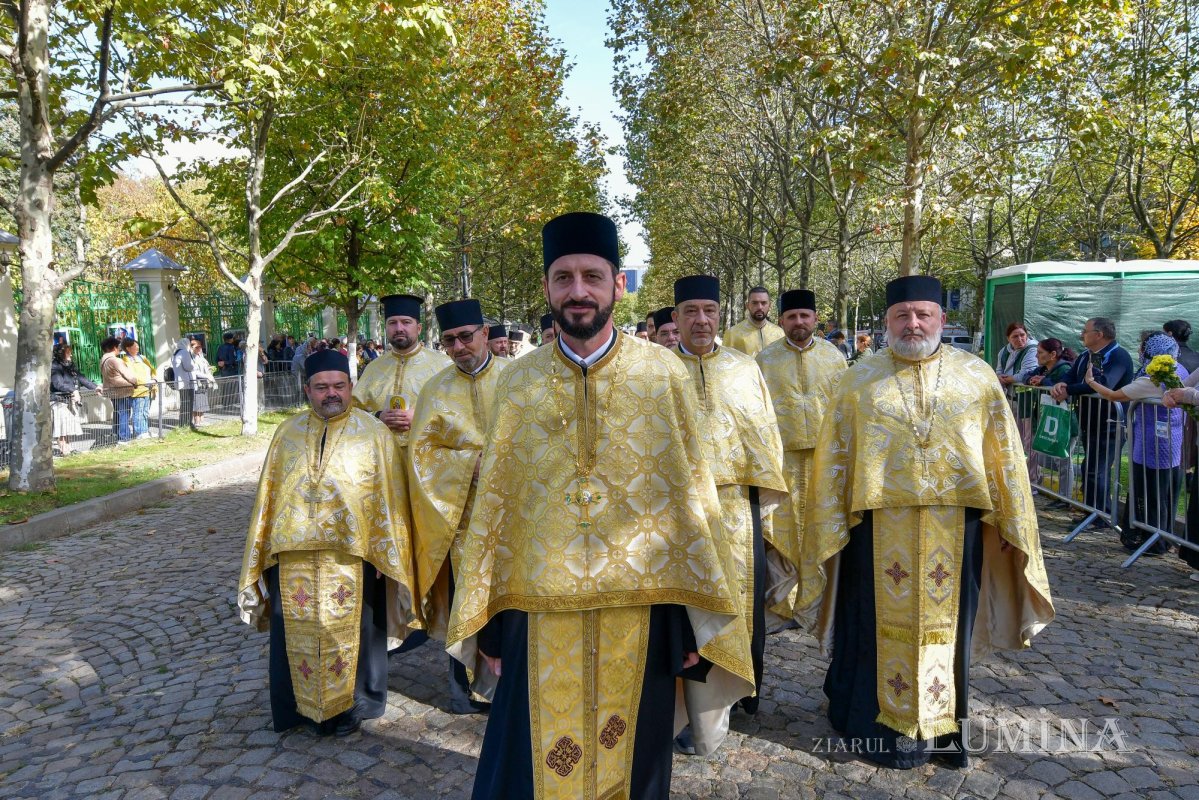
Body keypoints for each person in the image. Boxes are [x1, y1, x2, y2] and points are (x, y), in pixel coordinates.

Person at [447, 212, 753, 800]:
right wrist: (489, 627)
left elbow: (691, 501)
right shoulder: (517, 383)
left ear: (618, 284)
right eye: (564, 277)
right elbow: (496, 515)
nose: (578, 291)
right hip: (535, 614)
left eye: (593, 275)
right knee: (527, 764)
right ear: (547, 289)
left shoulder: (663, 376)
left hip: (641, 613)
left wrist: (690, 621)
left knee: (634, 761)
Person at [799, 275, 1054, 770]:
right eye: (902, 315)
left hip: (954, 530)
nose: (912, 323)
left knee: (948, 632)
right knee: (870, 627)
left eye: (923, 314)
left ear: (941, 319)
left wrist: (1009, 520)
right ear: (888, 321)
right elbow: (834, 462)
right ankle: (873, 726)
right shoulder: (857, 380)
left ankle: (942, 728)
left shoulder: (976, 377)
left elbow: (1002, 457)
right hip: (873, 531)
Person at [238, 350, 419, 736]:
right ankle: (295, 710)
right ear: (307, 389)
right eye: (321, 387)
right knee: (294, 632)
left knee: (358, 630)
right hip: (294, 557)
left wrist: (384, 549)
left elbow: (390, 498)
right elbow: (268, 498)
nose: (331, 394)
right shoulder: (285, 433)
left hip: (354, 555)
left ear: (351, 387)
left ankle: (356, 704)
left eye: (339, 386)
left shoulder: (374, 434)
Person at [669, 274, 789, 757]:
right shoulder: (655, 371)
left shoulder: (745, 369)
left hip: (738, 512)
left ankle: (736, 696)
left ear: (721, 315)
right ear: (675, 317)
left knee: (741, 607)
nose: (701, 320)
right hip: (676, 517)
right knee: (682, 612)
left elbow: (765, 438)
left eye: (709, 311)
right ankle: (685, 712)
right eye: (691, 311)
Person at [408, 299, 509, 714]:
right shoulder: (435, 389)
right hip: (462, 517)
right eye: (449, 340)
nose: (458, 346)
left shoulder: (516, 379)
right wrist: (469, 464)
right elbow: (422, 454)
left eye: (466, 336)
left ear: (485, 334)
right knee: (465, 600)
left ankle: (514, 687)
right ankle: (464, 688)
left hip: (515, 514)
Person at [755, 289, 846, 621]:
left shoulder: (834, 357)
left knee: (820, 527)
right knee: (783, 532)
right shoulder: (764, 360)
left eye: (804, 316)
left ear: (815, 318)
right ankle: (783, 604)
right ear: (781, 321)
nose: (798, 322)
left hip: (825, 462)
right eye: (792, 316)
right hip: (782, 463)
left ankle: (820, 602)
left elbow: (845, 411)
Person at [1086, 332, 1188, 555]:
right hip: (1172, 445)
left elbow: (1115, 395)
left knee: (1150, 493)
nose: (1140, 351)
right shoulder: (1180, 369)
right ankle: (1162, 539)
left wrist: (1091, 382)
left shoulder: (1153, 376)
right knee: (1165, 493)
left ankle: (1150, 540)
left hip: (1151, 445)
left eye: (1143, 347)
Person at [1051, 317, 1133, 526]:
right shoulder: (1088, 356)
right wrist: (1061, 384)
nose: (1081, 334)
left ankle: (1100, 516)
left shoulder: (1118, 355)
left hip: (1110, 423)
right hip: (1090, 420)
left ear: (1099, 334)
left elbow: (1102, 383)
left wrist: (1069, 389)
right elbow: (1071, 375)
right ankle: (1091, 511)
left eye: (1085, 331)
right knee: (1090, 466)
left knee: (1098, 469)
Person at [352, 294, 449, 455]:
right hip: (382, 457)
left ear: (418, 328)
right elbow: (353, 411)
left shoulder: (443, 365)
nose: (399, 328)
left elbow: (460, 411)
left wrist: (421, 417)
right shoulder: (373, 368)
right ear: (386, 328)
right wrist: (378, 416)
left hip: (429, 457)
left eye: (406, 322)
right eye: (392, 323)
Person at [1022, 338, 1077, 501]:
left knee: (1063, 461)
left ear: (1052, 354)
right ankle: (1061, 496)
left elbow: (1062, 388)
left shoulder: (1064, 368)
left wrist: (1044, 382)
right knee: (1053, 459)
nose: (1036, 356)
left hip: (1064, 423)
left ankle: (1064, 498)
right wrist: (1031, 380)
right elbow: (1027, 375)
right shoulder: (1043, 368)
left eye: (1040, 353)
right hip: (1050, 421)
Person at [995, 323, 1040, 486]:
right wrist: (1002, 377)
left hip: (1028, 401)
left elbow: (1026, 373)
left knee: (1029, 441)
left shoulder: (1032, 349)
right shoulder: (1004, 351)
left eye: (1022, 335)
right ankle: (1017, 475)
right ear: (1008, 338)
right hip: (1010, 400)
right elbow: (999, 371)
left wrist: (1009, 378)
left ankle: (1032, 479)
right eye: (1015, 336)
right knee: (1014, 439)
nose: (1020, 339)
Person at [50, 344, 99, 455]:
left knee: (66, 427)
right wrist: (73, 390)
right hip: (58, 401)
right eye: (68, 352)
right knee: (61, 428)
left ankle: (68, 449)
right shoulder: (54, 366)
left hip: (68, 400)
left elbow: (81, 378)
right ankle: (65, 450)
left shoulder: (69, 365)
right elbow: (58, 384)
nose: (71, 354)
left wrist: (95, 387)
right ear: (61, 353)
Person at [722, 287, 785, 357]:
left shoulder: (779, 334)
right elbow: (726, 364)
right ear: (747, 305)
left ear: (769, 305)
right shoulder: (732, 334)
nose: (759, 307)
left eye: (763, 303)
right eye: (755, 303)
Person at [100, 336, 139, 443]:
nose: (119, 349)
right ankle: (124, 437)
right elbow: (128, 375)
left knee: (118, 413)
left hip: (112, 391)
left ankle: (117, 434)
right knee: (124, 415)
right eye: (118, 347)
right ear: (114, 347)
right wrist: (135, 382)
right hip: (122, 391)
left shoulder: (103, 360)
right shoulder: (115, 360)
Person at [120, 338, 155, 441]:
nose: (138, 347)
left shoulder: (143, 358)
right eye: (135, 346)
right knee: (138, 412)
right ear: (128, 348)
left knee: (145, 412)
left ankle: (145, 431)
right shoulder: (126, 360)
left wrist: (154, 378)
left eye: (137, 345)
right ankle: (139, 433)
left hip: (148, 389)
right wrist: (143, 382)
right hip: (137, 390)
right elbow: (130, 375)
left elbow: (152, 369)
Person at [188, 337, 216, 426]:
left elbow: (204, 365)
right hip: (196, 382)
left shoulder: (200, 356)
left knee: (202, 402)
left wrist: (209, 368)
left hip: (203, 383)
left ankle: (202, 420)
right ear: (191, 347)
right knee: (197, 403)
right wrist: (206, 375)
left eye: (200, 346)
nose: (199, 348)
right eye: (197, 347)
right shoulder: (190, 357)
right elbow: (194, 371)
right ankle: (197, 421)